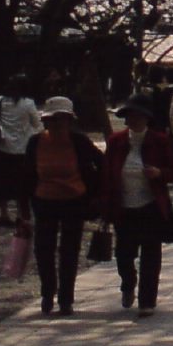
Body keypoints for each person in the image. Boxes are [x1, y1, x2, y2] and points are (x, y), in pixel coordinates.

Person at [23, 97, 103, 316]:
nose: (57, 124)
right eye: (53, 119)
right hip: (44, 201)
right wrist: (23, 209)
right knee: (43, 249)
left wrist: (95, 195)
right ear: (46, 121)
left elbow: (101, 163)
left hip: (74, 201)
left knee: (69, 250)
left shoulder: (78, 141)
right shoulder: (36, 142)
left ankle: (66, 298)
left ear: (69, 121)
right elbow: (26, 175)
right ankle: (48, 292)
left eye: (62, 119)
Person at [100, 94, 173, 317]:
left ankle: (147, 301)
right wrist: (105, 206)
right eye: (130, 116)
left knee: (151, 254)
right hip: (123, 206)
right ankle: (128, 283)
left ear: (147, 118)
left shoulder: (159, 140)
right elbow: (106, 174)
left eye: (138, 116)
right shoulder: (116, 141)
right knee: (124, 253)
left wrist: (159, 173)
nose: (134, 121)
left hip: (151, 205)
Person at [0, 74, 41, 227]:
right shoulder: (28, 103)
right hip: (23, 148)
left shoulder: (1, 101)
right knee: (22, 184)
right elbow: (37, 124)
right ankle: (20, 214)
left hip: (3, 147)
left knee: (2, 183)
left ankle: (3, 214)